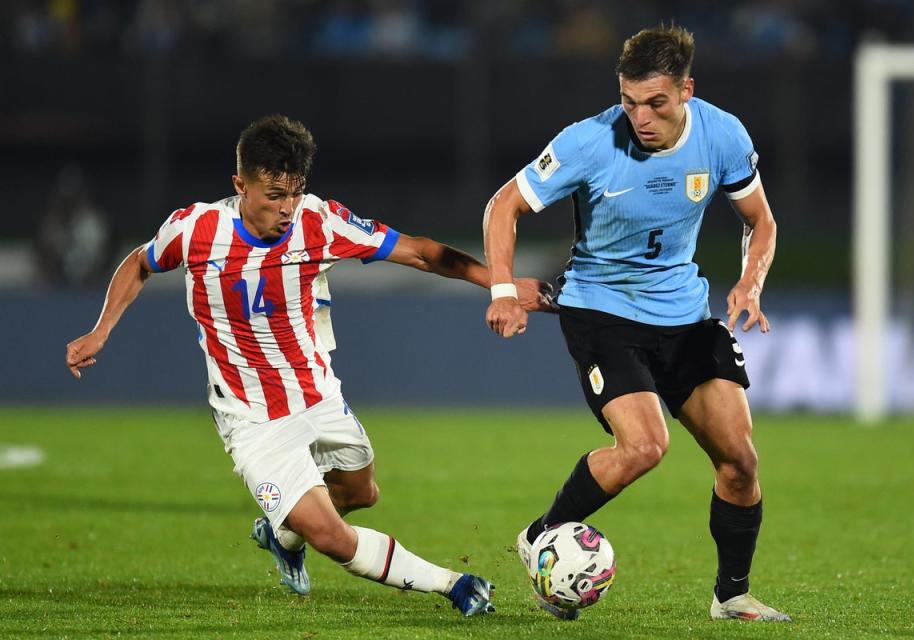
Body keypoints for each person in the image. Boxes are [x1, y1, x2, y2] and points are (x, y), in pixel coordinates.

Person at [65, 114, 553, 616]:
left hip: (318, 395)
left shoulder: (319, 221)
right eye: (273, 195)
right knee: (331, 536)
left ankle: (281, 534)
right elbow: (140, 263)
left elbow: (423, 253)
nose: (286, 208)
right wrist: (101, 330)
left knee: (362, 493)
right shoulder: (195, 229)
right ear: (240, 185)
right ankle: (454, 584)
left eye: (294, 193)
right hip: (251, 417)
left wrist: (502, 283)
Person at [483, 26, 790, 622]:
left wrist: (750, 282)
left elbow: (761, 220)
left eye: (656, 103)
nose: (641, 118)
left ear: (686, 91)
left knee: (740, 462)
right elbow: (504, 206)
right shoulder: (590, 142)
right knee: (646, 445)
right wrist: (502, 289)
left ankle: (731, 596)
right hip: (603, 312)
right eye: (629, 102)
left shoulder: (723, 134)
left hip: (683, 313)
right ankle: (543, 535)